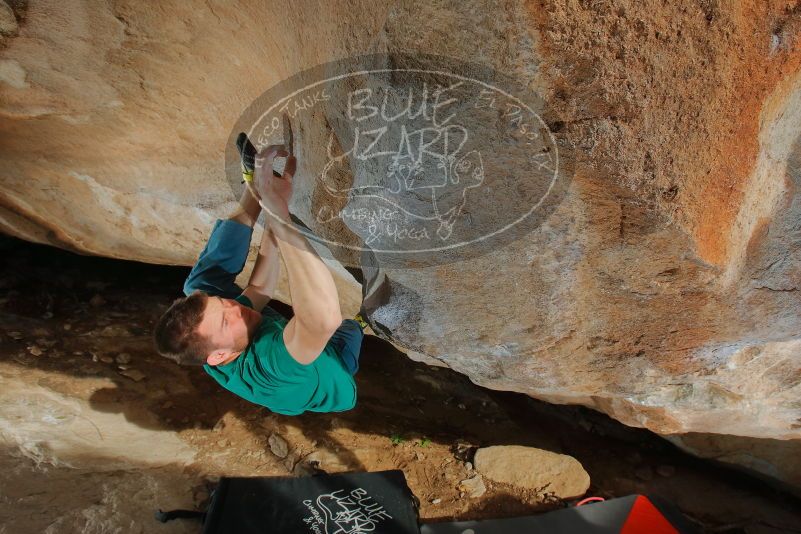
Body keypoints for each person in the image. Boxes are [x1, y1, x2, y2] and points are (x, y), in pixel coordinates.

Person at [153, 144, 367, 415]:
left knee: (196, 288)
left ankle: (252, 185)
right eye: (225, 320)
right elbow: (322, 320)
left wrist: (270, 201)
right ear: (219, 357)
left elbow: (260, 288)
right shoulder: (269, 366)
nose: (233, 306)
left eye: (223, 303)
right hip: (332, 376)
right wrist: (280, 216)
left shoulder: (224, 333)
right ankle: (361, 323)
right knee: (348, 331)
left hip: (290, 346)